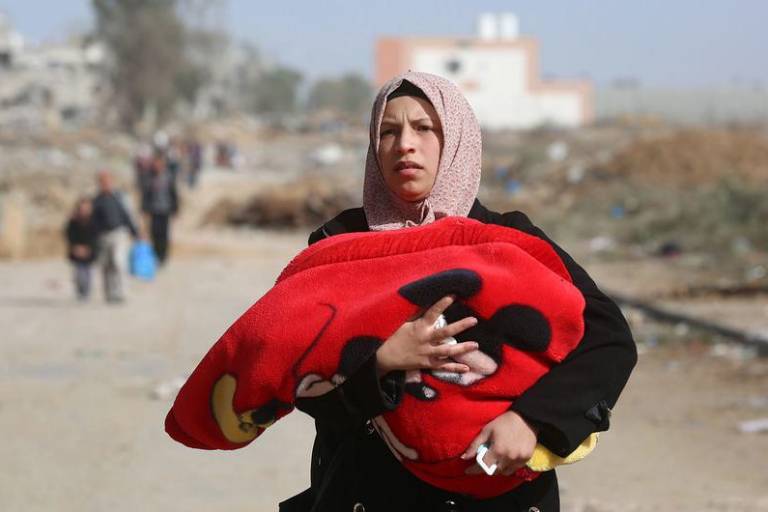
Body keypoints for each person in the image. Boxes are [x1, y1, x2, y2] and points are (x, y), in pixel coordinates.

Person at [280, 72, 637, 512]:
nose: (404, 145)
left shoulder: (509, 240)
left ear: (456, 139)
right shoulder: (339, 245)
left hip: (496, 495)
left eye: (424, 128)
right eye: (388, 132)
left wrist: (531, 420)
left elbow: (608, 339)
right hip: (369, 490)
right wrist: (383, 360)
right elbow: (299, 379)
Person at [92, 170, 139, 303]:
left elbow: (127, 215)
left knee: (119, 262)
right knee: (106, 266)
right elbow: (92, 222)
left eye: (107, 181)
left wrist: (135, 232)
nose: (105, 184)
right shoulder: (96, 201)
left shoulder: (119, 198)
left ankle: (122, 292)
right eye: (102, 181)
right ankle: (109, 293)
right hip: (103, 236)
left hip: (119, 234)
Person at [140, 151, 179, 265]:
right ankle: (155, 255)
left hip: (165, 210)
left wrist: (175, 208)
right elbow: (146, 194)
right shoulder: (149, 177)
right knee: (154, 233)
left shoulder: (168, 177)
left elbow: (173, 193)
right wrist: (144, 209)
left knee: (164, 234)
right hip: (154, 210)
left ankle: (163, 256)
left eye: (159, 163)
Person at [64, 197, 98, 301]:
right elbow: (69, 235)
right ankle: (80, 291)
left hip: (89, 251)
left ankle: (86, 292)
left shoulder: (93, 221)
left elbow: (95, 236)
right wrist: (76, 247)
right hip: (76, 251)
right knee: (78, 273)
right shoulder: (73, 221)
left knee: (87, 272)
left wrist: (89, 248)